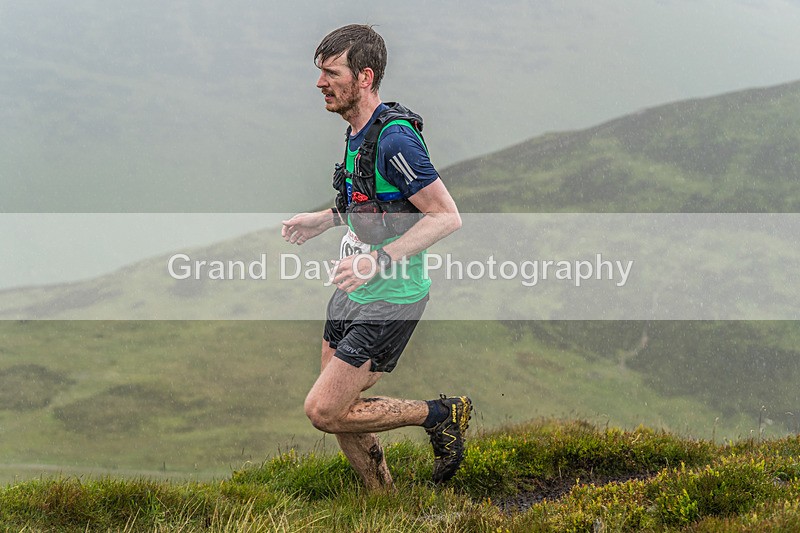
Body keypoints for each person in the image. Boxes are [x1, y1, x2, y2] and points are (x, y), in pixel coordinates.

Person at [281, 24, 472, 490]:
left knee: (323, 410)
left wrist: (378, 260)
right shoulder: (357, 133)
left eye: (332, 73)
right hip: (352, 291)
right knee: (341, 408)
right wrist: (327, 218)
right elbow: (376, 206)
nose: (320, 83)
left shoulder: (394, 139)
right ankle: (382, 499)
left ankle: (439, 415)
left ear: (364, 77)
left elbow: (446, 216)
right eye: (320, 72)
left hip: (391, 297)